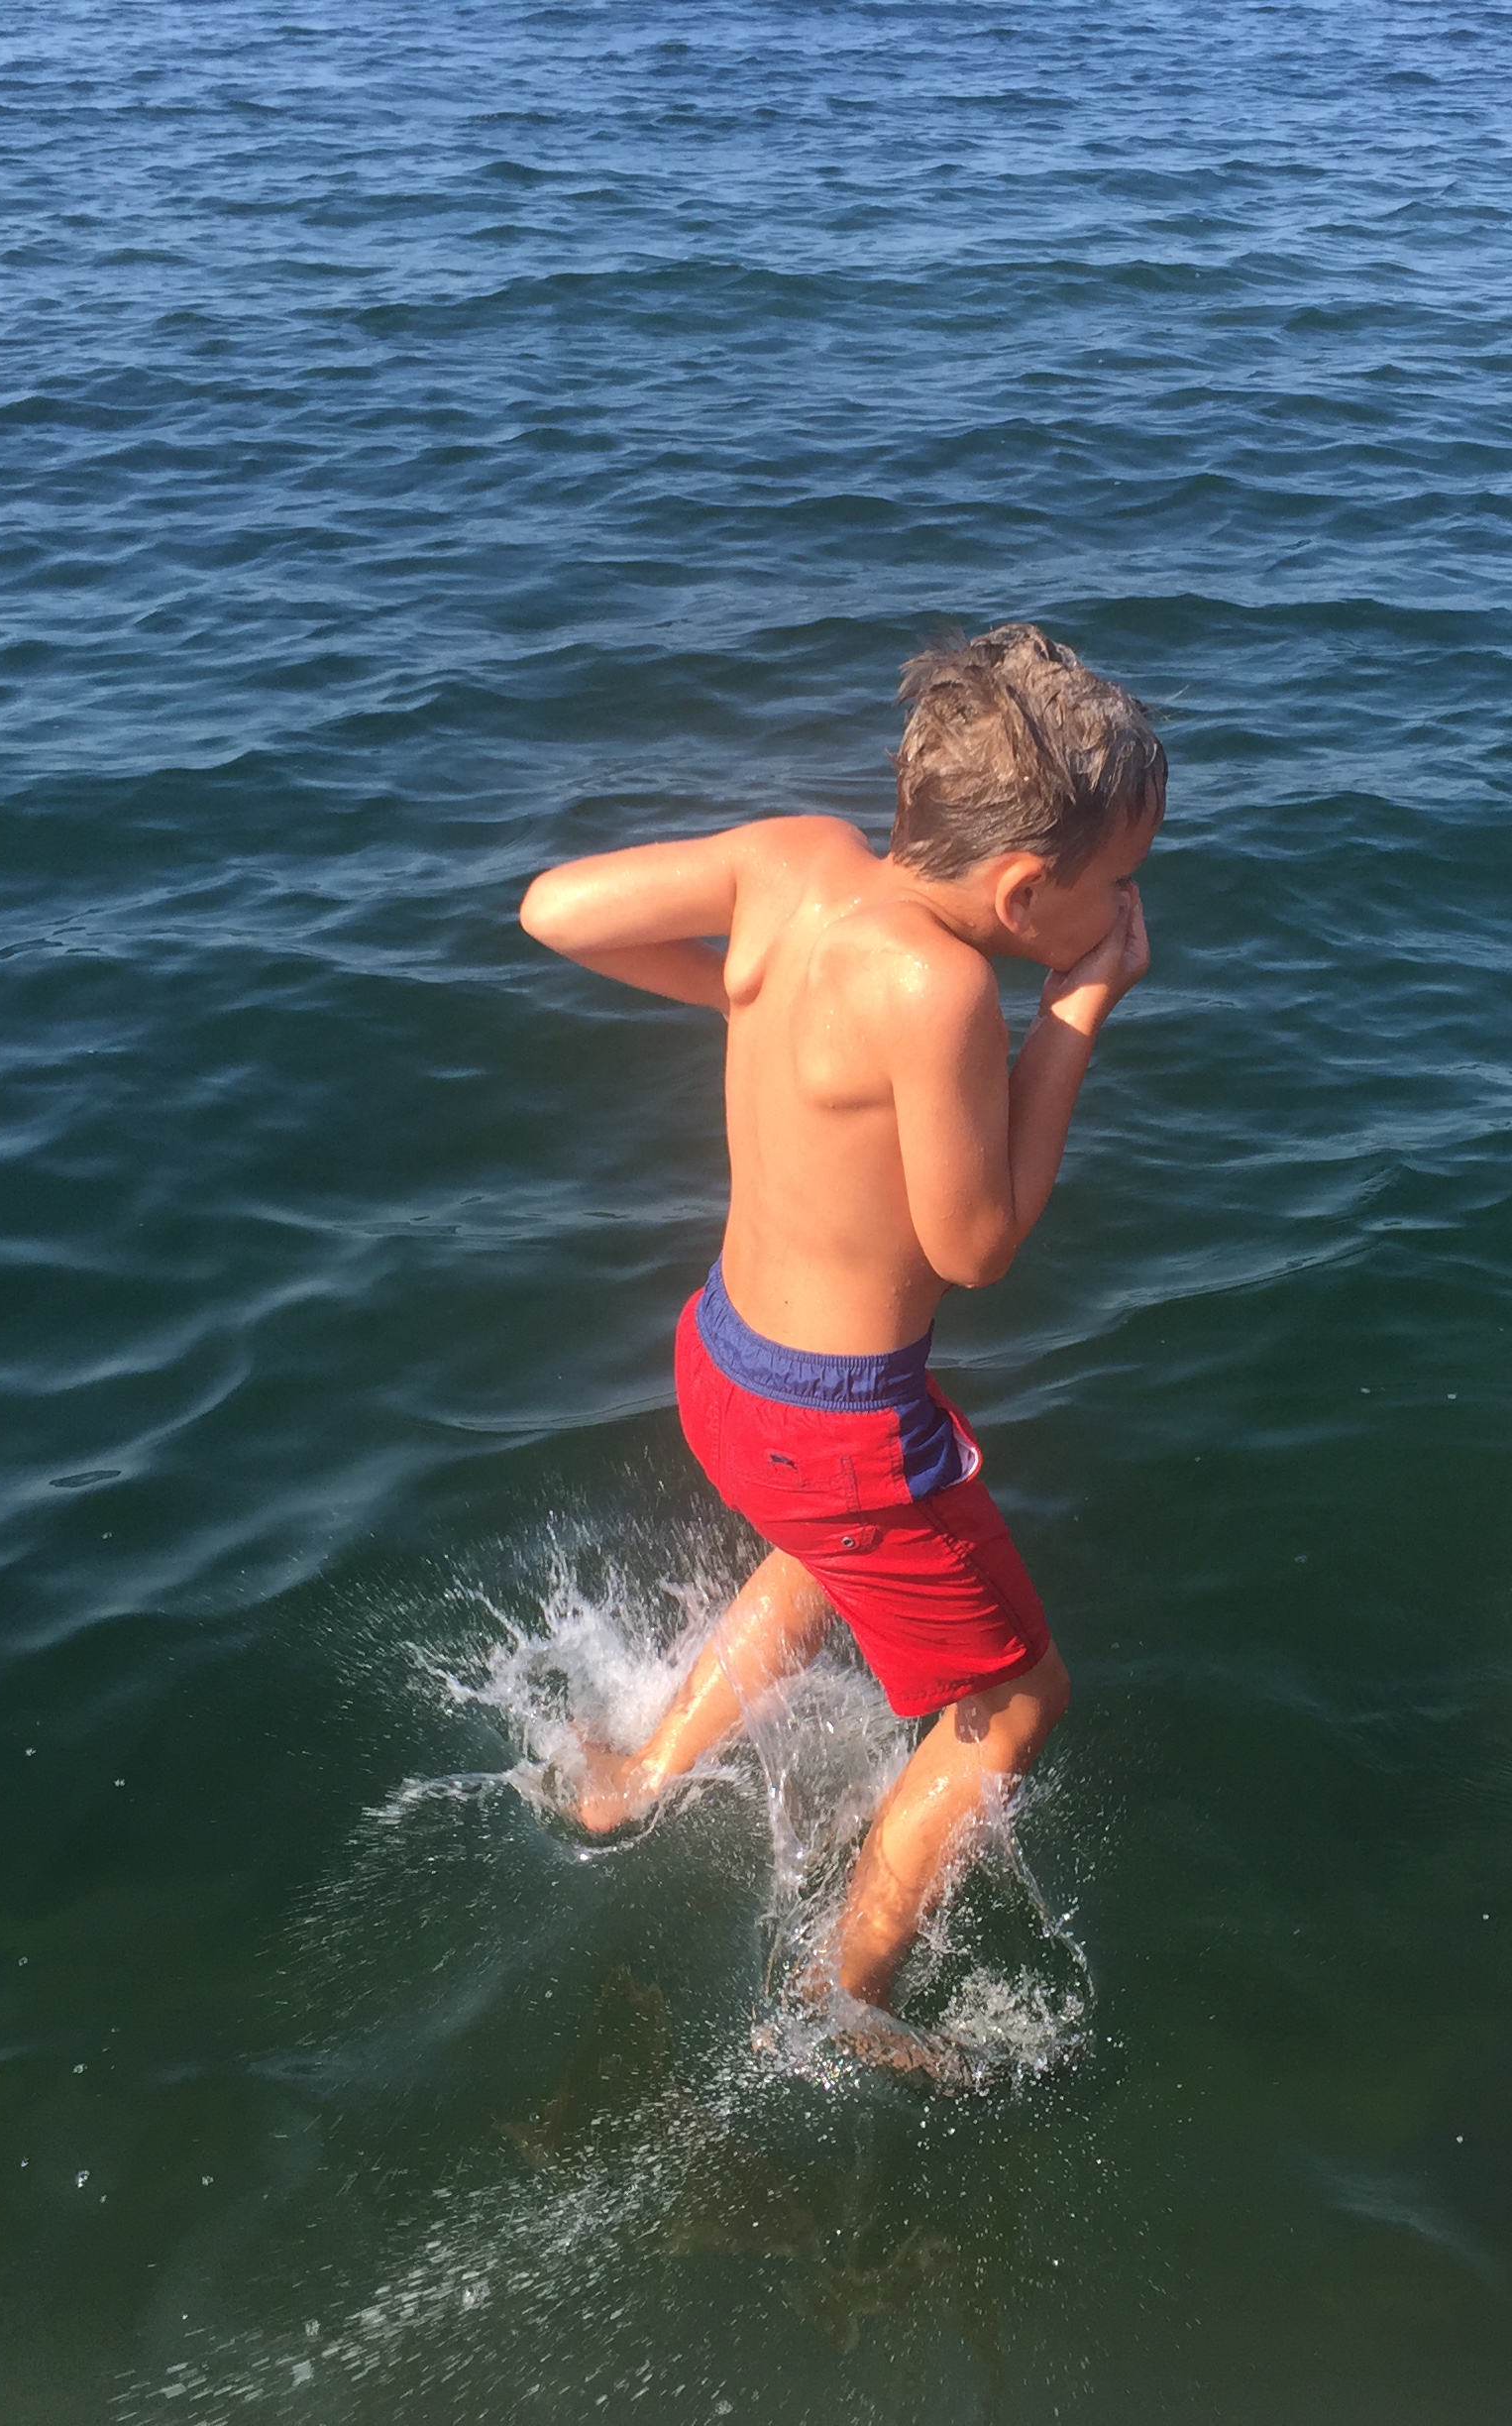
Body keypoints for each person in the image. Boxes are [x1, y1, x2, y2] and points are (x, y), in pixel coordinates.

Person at [516, 622, 1162, 2017]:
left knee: (813, 1558)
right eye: (1118, 884)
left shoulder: (794, 861)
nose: (1128, 907)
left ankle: (636, 1782)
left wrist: (741, 992)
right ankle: (844, 1991)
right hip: (841, 1429)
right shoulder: (938, 989)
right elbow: (977, 1249)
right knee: (1019, 1701)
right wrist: (1076, 1017)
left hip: (721, 1363)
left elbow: (554, 911)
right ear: (1024, 890)